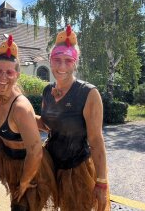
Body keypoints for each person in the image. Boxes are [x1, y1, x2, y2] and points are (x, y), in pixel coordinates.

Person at [36, 25, 110, 211]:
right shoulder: (47, 91)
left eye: (68, 60)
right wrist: (22, 115)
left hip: (77, 169)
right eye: (57, 60)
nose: (62, 66)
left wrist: (101, 181)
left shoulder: (88, 93)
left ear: (75, 63)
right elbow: (47, 124)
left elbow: (96, 140)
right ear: (50, 61)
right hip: (50, 165)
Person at [0, 35, 57, 211]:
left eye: (9, 72)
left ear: (17, 75)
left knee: (22, 207)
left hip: (31, 166)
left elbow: (35, 152)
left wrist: (25, 182)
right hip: (9, 160)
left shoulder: (20, 108)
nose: (3, 77)